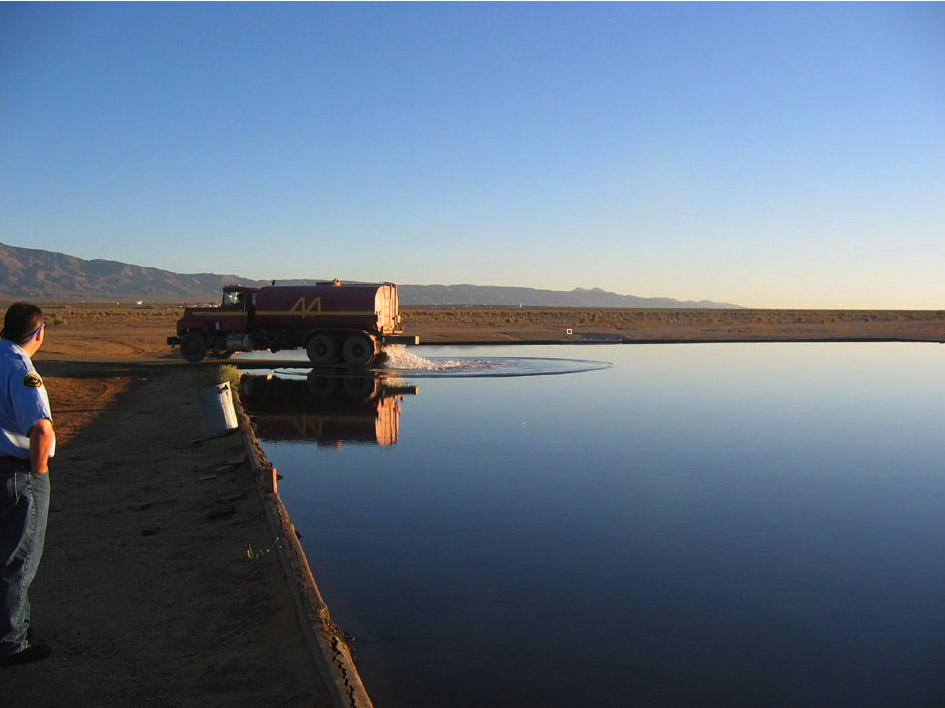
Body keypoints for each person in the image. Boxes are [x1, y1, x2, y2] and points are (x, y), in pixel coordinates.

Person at [0, 302, 55, 665]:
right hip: (18, 473)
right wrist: (37, 473)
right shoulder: (21, 368)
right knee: (20, 557)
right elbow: (40, 428)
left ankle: (17, 625)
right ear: (39, 332)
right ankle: (11, 642)